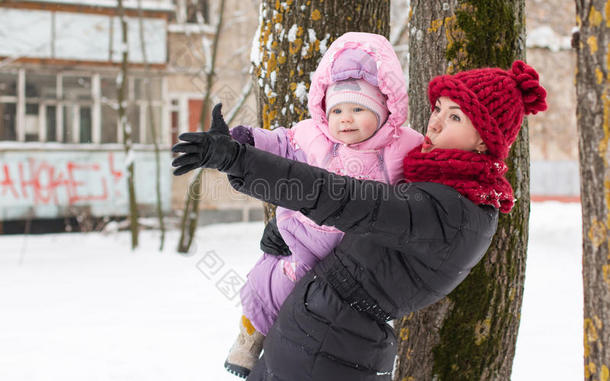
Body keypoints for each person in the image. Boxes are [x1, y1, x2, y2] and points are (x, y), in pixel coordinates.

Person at [172, 60, 547, 381]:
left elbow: (344, 198)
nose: (434, 124)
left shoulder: (452, 210)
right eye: (438, 109)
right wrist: (294, 232)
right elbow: (363, 236)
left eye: (455, 116)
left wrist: (239, 160)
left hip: (326, 347)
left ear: (484, 140)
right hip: (322, 335)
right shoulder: (446, 192)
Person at [222, 32, 423, 377]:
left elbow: (424, 173)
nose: (345, 119)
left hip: (348, 252)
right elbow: (281, 143)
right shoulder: (314, 136)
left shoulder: (402, 146)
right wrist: (247, 141)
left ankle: (277, 346)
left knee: (306, 303)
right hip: (301, 234)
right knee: (269, 282)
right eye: (338, 110)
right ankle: (249, 338)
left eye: (359, 109)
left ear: (384, 107)